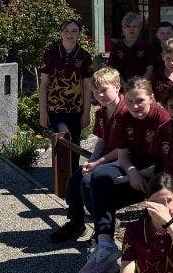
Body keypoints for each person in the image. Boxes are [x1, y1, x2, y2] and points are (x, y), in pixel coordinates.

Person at [81, 77, 170, 273]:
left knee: (104, 191)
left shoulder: (162, 119)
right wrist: (131, 173)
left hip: (157, 170)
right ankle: (105, 244)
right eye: (129, 101)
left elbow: (165, 163)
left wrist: (135, 175)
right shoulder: (124, 117)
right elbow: (123, 157)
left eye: (140, 101)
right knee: (97, 177)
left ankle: (136, 249)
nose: (135, 106)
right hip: (134, 165)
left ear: (151, 98)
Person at [49, 66, 124, 243]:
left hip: (122, 159)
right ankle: (77, 223)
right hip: (104, 158)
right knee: (75, 179)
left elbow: (123, 149)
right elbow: (102, 140)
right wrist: (90, 162)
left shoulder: (126, 112)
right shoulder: (101, 112)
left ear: (117, 86)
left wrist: (96, 165)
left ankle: (104, 224)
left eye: (104, 90)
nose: (100, 96)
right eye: (96, 92)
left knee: (88, 182)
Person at [39, 19, 93, 171]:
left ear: (79, 34)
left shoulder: (84, 56)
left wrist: (87, 113)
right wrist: (43, 112)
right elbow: (43, 84)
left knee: (75, 144)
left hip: (76, 109)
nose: (70, 34)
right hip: (56, 108)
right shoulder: (51, 54)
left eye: (74, 31)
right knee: (63, 137)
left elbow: (87, 86)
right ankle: (60, 179)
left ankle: (73, 179)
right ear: (60, 33)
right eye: (67, 30)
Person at [120, 172, 173, 273]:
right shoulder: (135, 229)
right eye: (155, 203)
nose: (162, 208)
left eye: (168, 201)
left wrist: (169, 222)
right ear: (147, 202)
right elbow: (126, 268)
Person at [108, 13, 155, 83]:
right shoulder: (117, 47)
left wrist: (139, 85)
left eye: (134, 26)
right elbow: (113, 69)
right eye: (128, 26)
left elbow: (150, 70)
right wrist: (124, 85)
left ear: (140, 28)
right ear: (123, 29)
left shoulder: (146, 46)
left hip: (141, 86)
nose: (131, 29)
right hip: (121, 86)